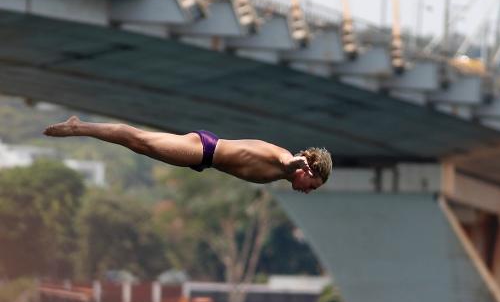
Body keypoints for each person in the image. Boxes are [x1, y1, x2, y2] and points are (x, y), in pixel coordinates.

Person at [43, 116, 331, 193]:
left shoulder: (283, 174)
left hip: (205, 154)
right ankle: (77, 127)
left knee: (139, 143)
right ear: (307, 172)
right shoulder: (282, 159)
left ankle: (79, 126)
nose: (309, 191)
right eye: (312, 186)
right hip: (204, 150)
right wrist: (293, 161)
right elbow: (284, 159)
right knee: (139, 141)